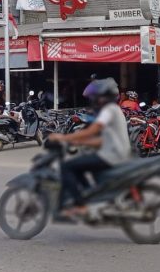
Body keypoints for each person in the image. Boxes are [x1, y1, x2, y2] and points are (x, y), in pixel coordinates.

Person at [48, 78, 131, 217]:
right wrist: (80, 142)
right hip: (117, 152)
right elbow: (102, 140)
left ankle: (81, 205)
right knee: (81, 165)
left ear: (104, 96)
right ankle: (92, 198)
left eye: (96, 97)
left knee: (67, 167)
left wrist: (63, 137)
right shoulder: (114, 110)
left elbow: (92, 130)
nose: (94, 100)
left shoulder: (109, 110)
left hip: (112, 156)